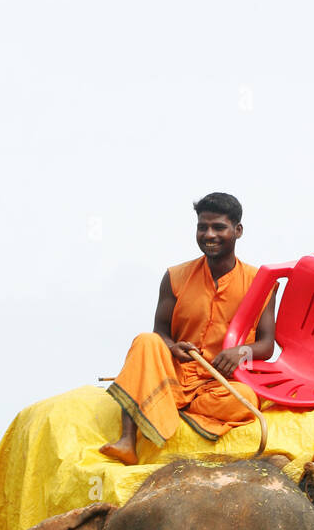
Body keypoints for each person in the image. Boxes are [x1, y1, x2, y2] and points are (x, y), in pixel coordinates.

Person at [102, 192, 276, 465]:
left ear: (238, 230)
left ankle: (173, 407)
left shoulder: (261, 282)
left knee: (245, 399)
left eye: (218, 227)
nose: (209, 234)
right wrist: (173, 347)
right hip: (175, 374)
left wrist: (240, 352)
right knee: (145, 340)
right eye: (202, 227)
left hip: (220, 384)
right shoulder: (175, 276)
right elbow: (160, 331)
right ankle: (127, 441)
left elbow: (267, 346)